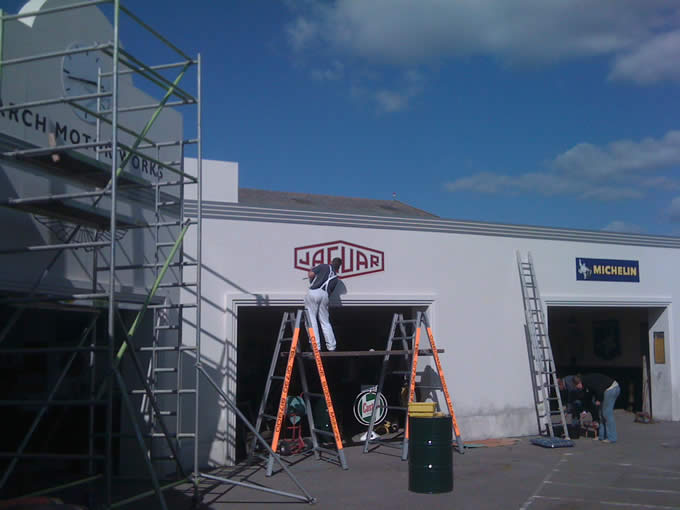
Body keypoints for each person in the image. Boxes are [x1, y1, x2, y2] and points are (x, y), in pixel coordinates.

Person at [304, 257, 342, 351]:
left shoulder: (324, 266)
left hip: (314, 292)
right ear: (338, 267)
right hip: (325, 295)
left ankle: (316, 346)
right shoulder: (336, 278)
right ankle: (331, 346)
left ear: (331, 262)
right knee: (325, 321)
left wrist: (311, 269)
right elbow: (330, 292)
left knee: (311, 319)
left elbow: (310, 275)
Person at [572, 373, 620, 443]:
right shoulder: (585, 384)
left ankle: (612, 438)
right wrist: (585, 411)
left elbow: (599, 388)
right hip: (607, 389)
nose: (577, 387)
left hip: (611, 389)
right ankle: (601, 436)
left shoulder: (588, 381)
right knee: (601, 414)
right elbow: (588, 398)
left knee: (607, 413)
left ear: (579, 382)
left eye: (576, 385)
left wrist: (599, 400)